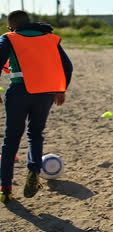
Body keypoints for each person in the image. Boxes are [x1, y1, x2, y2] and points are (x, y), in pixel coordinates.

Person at [0, 10, 73, 203]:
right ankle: (33, 170)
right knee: (35, 134)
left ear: (12, 27)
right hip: (45, 94)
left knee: (11, 139)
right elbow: (68, 66)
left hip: (18, 92)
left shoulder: (9, 38)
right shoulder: (49, 38)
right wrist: (61, 89)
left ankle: (5, 189)